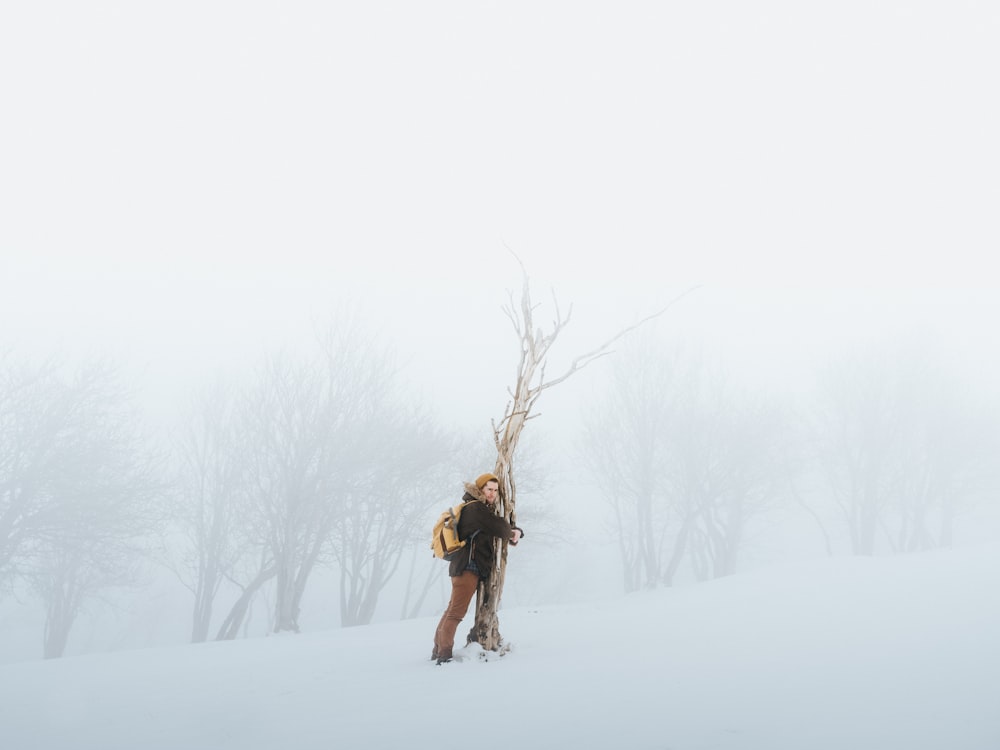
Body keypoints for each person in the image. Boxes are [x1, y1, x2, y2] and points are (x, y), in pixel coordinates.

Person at [432, 472, 523, 664]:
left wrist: (511, 533)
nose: (492, 494)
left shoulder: (473, 508)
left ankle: (437, 650)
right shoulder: (476, 508)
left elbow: (491, 531)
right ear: (480, 489)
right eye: (489, 489)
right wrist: (515, 531)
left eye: (495, 490)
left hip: (462, 567)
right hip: (467, 568)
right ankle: (444, 655)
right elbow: (498, 527)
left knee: (451, 610)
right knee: (456, 613)